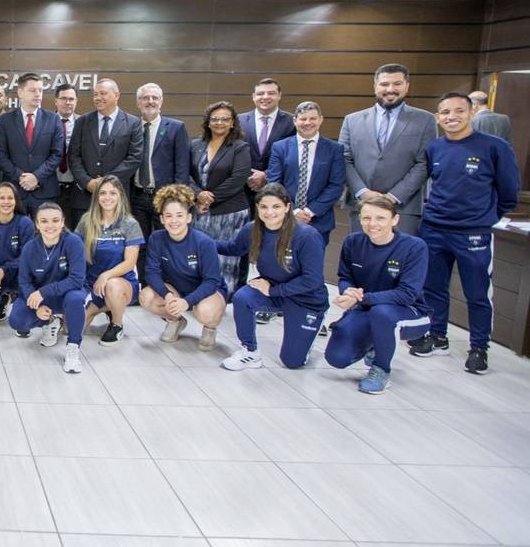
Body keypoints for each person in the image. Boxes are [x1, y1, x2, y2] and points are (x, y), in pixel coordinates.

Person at [408, 92, 520, 373]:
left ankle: (479, 347)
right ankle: (437, 336)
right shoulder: (435, 148)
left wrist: (486, 218)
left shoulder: (494, 147)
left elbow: (509, 193)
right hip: (434, 228)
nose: (451, 117)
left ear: (472, 113)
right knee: (433, 288)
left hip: (473, 233)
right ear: (437, 117)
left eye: (459, 111)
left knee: (477, 293)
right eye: (445, 113)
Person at [324, 195, 430, 394]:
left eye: (380, 218)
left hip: (410, 313)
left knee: (382, 313)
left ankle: (381, 368)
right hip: (367, 308)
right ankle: (376, 343)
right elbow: (345, 277)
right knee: (336, 358)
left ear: (395, 220)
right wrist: (347, 291)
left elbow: (407, 294)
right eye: (366, 218)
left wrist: (361, 298)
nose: (372, 224)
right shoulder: (352, 242)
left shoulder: (414, 247)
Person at [217, 183, 330, 371]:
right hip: (274, 291)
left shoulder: (307, 236)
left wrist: (273, 290)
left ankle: (314, 323)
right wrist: (198, 240)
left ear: (287, 207)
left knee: (292, 362)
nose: (269, 212)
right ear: (258, 208)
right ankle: (250, 352)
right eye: (264, 207)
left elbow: (312, 280)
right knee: (242, 297)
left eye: (276, 206)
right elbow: (232, 248)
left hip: (305, 299)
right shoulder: (253, 229)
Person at [339, 63, 433, 236]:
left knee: (400, 260)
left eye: (397, 83)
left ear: (407, 86)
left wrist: (392, 197)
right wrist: (364, 193)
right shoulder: (352, 120)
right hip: (361, 205)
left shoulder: (426, 120)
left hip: (403, 207)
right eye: (384, 84)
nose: (390, 89)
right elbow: (343, 160)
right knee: (361, 258)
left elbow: (424, 163)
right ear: (375, 86)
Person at [138, 184, 225, 351]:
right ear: (162, 219)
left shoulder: (204, 242)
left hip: (205, 292)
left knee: (205, 312)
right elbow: (151, 273)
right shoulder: (156, 238)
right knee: (146, 297)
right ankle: (175, 321)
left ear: (189, 217)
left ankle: (210, 328)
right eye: (168, 216)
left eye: (179, 215)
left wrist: (188, 302)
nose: (174, 221)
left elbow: (212, 281)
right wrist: (168, 295)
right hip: (177, 289)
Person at [7, 202, 90, 374]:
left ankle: (73, 348)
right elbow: (24, 281)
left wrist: (43, 292)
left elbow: (76, 279)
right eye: (44, 221)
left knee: (75, 299)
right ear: (37, 224)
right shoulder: (30, 247)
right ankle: (50, 322)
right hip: (40, 296)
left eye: (55, 220)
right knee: (17, 321)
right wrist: (37, 305)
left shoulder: (73, 242)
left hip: (67, 293)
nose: (50, 225)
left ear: (62, 222)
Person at [189, 101, 252, 295]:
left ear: (232, 123)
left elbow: (239, 177)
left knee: (226, 259)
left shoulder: (240, 147)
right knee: (200, 254)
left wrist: (210, 198)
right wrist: (198, 194)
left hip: (230, 213)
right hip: (199, 212)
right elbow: (186, 174)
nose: (219, 123)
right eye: (215, 119)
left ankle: (223, 296)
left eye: (225, 119)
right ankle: (199, 293)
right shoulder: (196, 145)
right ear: (208, 122)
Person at [132, 83, 190, 285]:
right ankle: (146, 285)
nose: (150, 101)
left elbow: (182, 165)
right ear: (138, 102)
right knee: (140, 243)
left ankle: (166, 285)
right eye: (146, 97)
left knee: (165, 242)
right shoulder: (132, 127)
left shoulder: (175, 127)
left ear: (161, 102)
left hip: (165, 198)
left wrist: (177, 199)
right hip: (137, 196)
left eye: (154, 98)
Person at [265, 101, 346, 248]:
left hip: (319, 221)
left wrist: (310, 211)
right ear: (295, 120)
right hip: (284, 218)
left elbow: (336, 185)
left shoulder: (335, 149)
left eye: (313, 118)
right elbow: (274, 184)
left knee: (312, 266)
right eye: (303, 119)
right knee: (283, 265)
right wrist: (293, 211)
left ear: (320, 119)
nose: (307, 123)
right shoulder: (280, 147)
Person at [67, 79, 142, 229]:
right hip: (84, 197)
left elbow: (134, 158)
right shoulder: (82, 121)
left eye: (103, 93)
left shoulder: (132, 123)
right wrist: (86, 182)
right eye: (95, 94)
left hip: (116, 198)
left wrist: (106, 183)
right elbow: (73, 155)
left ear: (116, 95)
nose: (97, 98)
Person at [78, 175, 144, 345]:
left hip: (121, 283)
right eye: (103, 193)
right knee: (69, 329)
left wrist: (105, 276)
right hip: (91, 284)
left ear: (120, 196)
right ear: (96, 197)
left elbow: (130, 263)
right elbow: (76, 253)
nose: (107, 198)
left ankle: (116, 324)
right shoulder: (86, 221)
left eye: (113, 193)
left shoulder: (130, 224)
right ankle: (107, 306)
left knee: (111, 286)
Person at [0, 73, 65, 212]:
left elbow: (57, 154)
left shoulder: (53, 119)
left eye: (40, 90)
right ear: (20, 92)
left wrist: (37, 177)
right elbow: (0, 155)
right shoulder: (5, 120)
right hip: (14, 192)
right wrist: (21, 177)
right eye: (33, 90)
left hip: (45, 192)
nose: (38, 94)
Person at [0, 182, 36, 323]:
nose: (6, 202)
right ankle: (3, 298)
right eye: (2, 198)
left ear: (16, 202)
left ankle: (16, 297)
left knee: (27, 295)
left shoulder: (25, 223)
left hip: (18, 273)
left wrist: (3, 270)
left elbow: (26, 257)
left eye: (10, 198)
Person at [239, 78, 296, 195]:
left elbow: (293, 156)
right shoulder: (238, 121)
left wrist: (266, 174)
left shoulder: (292, 122)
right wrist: (249, 175)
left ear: (279, 95)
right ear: (253, 96)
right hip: (243, 189)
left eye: (271, 93)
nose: (265, 97)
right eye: (260, 93)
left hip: (278, 189)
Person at [52, 84, 81, 223]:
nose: (67, 102)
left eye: (71, 99)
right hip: (50, 188)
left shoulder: (84, 123)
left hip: (76, 189)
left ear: (76, 101)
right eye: (63, 98)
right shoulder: (44, 122)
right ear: (56, 101)